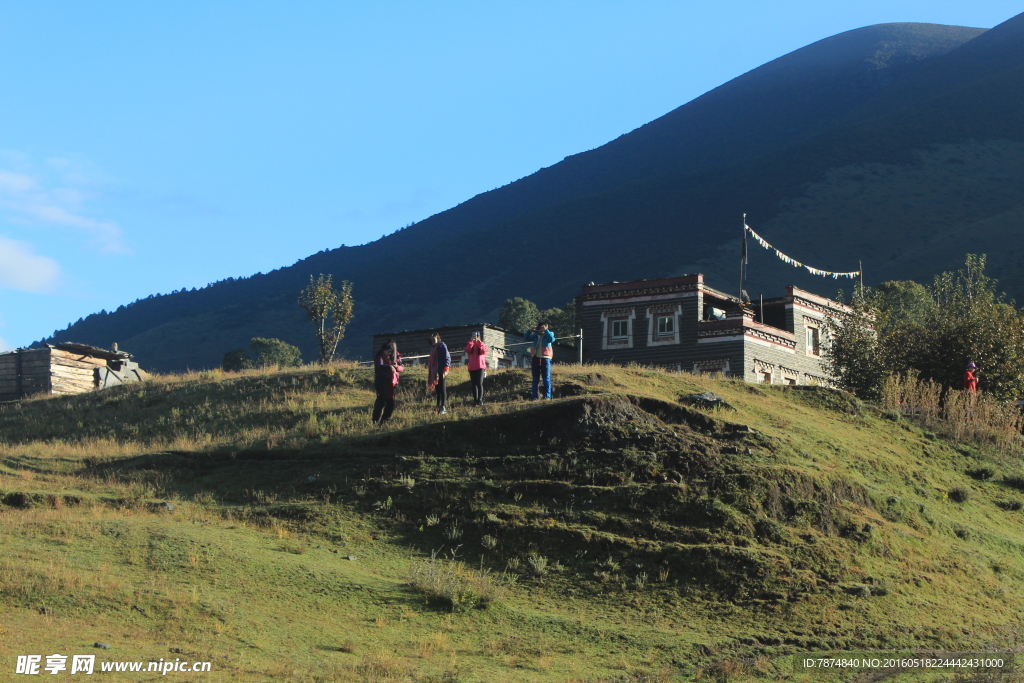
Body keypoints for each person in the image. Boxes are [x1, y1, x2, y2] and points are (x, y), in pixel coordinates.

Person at [372, 340, 402, 425]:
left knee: (390, 403)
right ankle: (375, 421)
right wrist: (389, 367)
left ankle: (384, 421)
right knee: (381, 401)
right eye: (388, 349)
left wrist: (396, 367)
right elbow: (380, 366)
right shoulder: (380, 357)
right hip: (382, 380)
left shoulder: (395, 357)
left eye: (391, 349)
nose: (390, 351)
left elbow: (401, 367)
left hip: (392, 382)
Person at [525, 321, 555, 400]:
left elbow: (552, 339)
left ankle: (547, 396)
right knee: (535, 378)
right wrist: (530, 330)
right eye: (540, 328)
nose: (541, 329)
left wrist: (546, 331)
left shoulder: (550, 334)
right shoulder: (536, 336)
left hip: (546, 358)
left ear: (546, 327)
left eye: (542, 327)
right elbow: (526, 338)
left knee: (546, 378)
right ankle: (534, 396)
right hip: (536, 357)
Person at [427, 333, 451, 414]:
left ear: (437, 339)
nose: (433, 341)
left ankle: (443, 406)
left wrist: (446, 367)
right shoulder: (433, 349)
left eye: (434, 339)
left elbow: (447, 357)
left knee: (442, 389)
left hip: (441, 370)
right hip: (435, 371)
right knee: (438, 390)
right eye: (431, 340)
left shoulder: (441, 346)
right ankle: (438, 406)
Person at [465, 331, 488, 406]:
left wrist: (480, 343)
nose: (475, 337)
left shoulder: (482, 344)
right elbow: (468, 350)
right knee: (474, 384)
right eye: (473, 335)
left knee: (479, 383)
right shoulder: (470, 343)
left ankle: (480, 399)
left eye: (476, 335)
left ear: (479, 336)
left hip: (480, 366)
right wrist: (471, 342)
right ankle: (475, 400)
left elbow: (483, 351)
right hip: (472, 367)